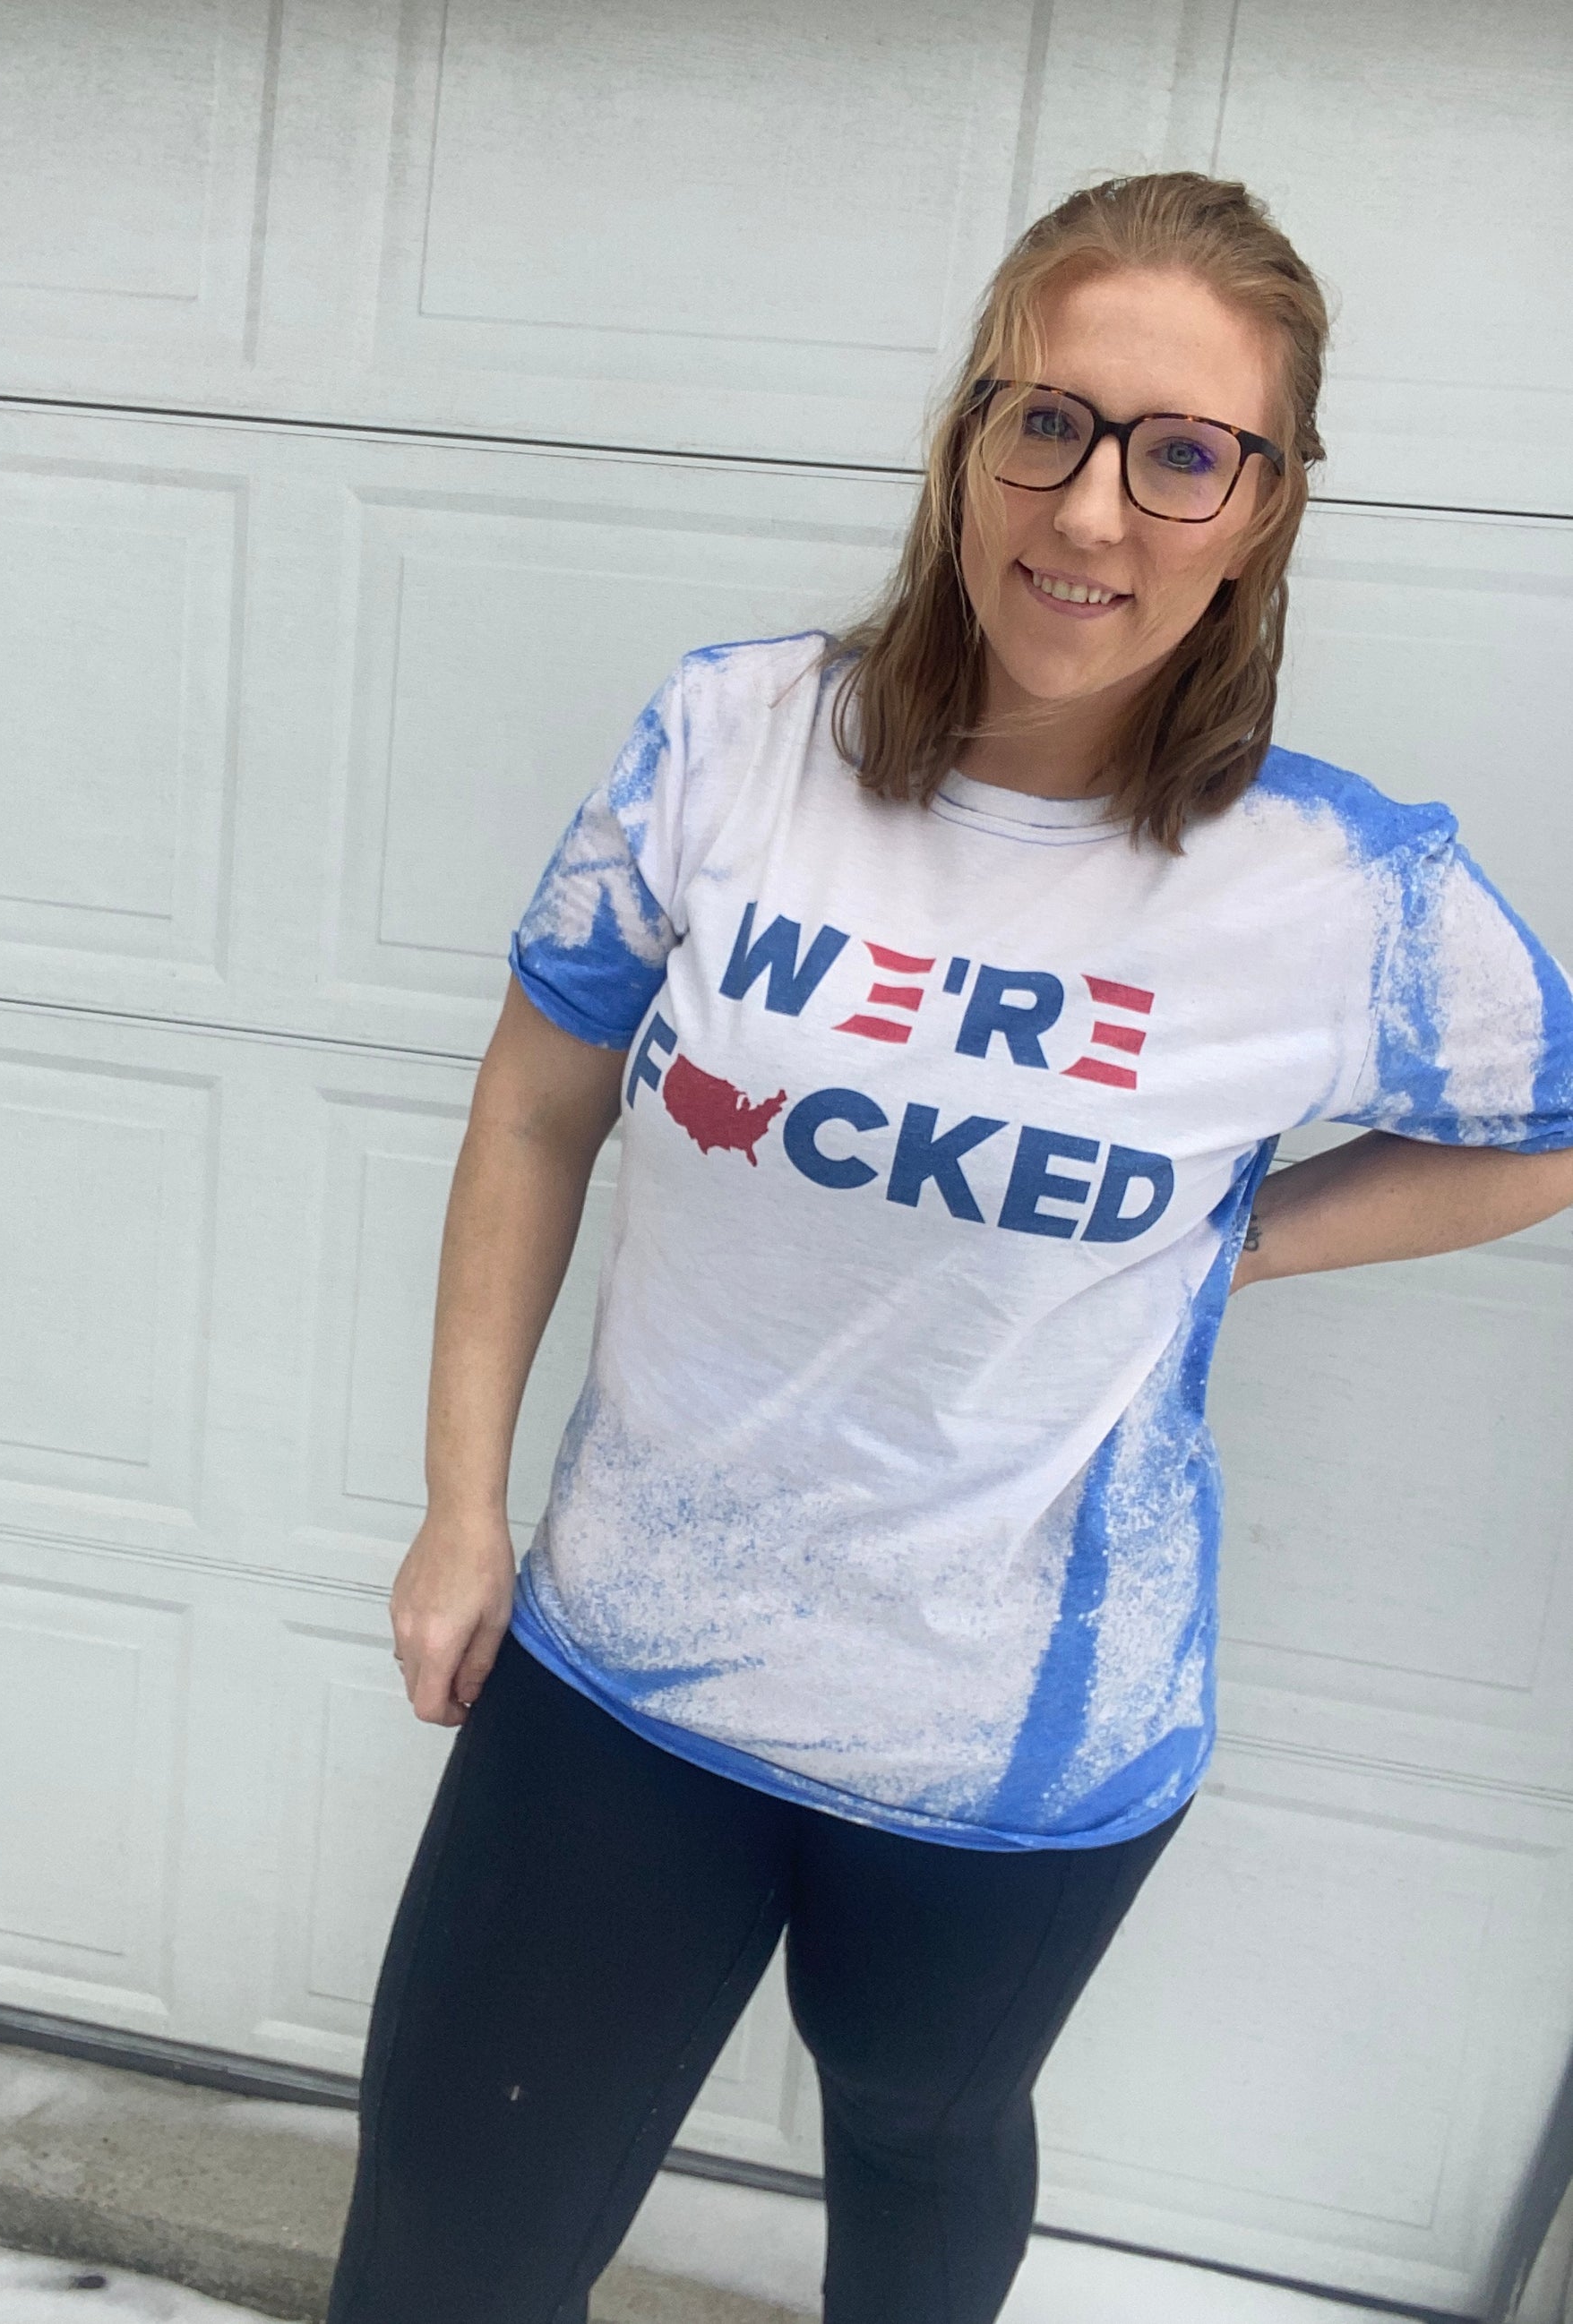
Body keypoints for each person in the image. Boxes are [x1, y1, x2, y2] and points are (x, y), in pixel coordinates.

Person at [325, 173, 1573, 2324]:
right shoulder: (733, 737)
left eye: (1181, 452)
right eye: (1045, 421)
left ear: (1262, 506)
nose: (1089, 508)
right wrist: (459, 1505)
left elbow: (1544, 1130)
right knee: (446, 2245)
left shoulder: (1333, 885)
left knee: (918, 2133)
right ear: (966, 436)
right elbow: (535, 1102)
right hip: (626, 1661)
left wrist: (1232, 1242)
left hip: (1011, 1743)